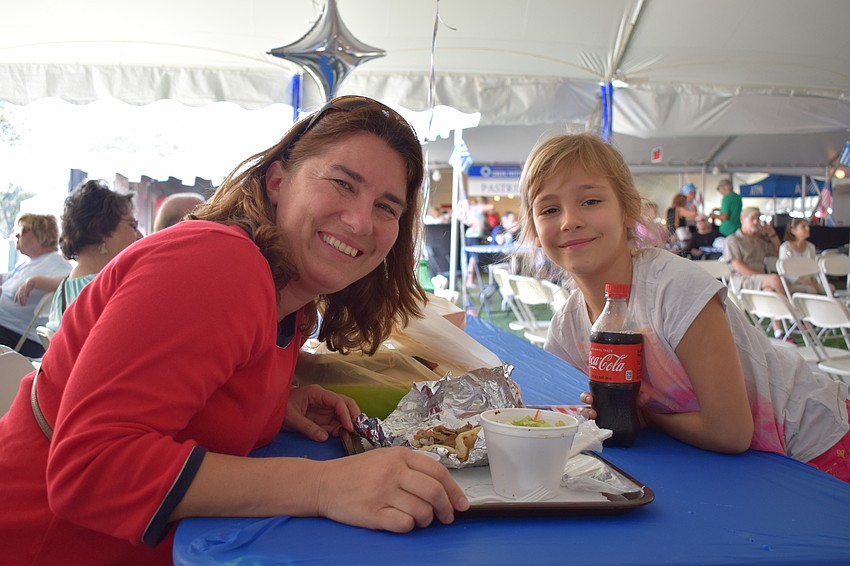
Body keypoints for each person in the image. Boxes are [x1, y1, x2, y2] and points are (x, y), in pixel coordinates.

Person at [0, 95, 469, 564]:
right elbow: (90, 470)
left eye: (387, 208)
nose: (361, 220)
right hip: (43, 541)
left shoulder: (292, 300)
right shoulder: (217, 263)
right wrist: (328, 486)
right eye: (343, 183)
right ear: (277, 180)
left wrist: (268, 403)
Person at [515, 132, 849, 483]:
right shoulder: (568, 327)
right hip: (734, 467)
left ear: (628, 210)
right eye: (550, 209)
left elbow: (730, 431)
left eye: (591, 201)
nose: (570, 220)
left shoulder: (673, 288)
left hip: (815, 440)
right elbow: (563, 422)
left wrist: (644, 415)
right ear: (535, 231)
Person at [15, 180, 143, 334]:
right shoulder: (110, 290)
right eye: (132, 225)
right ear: (103, 230)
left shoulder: (65, 288)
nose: (139, 236)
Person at [0, 214, 71, 356]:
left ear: (40, 233)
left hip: (18, 334)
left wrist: (35, 281)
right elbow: (6, 279)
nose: (17, 236)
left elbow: (69, 283)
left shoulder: (56, 262)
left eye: (22, 231)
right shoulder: (28, 263)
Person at [722, 207, 788, 338]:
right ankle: (793, 315)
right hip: (741, 281)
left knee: (770, 290)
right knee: (773, 280)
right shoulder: (732, 240)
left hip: (760, 281)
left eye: (758, 218)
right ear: (742, 219)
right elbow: (737, 266)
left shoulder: (760, 240)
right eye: (753, 218)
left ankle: (779, 332)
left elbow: (776, 254)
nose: (756, 222)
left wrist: (773, 235)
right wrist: (763, 277)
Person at [778, 217, 820, 292]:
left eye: (807, 226)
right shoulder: (785, 248)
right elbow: (784, 271)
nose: (808, 229)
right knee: (811, 290)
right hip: (792, 283)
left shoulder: (811, 247)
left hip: (809, 282)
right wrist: (800, 280)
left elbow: (814, 267)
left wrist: (813, 279)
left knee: (830, 288)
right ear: (793, 231)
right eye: (803, 227)